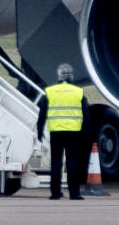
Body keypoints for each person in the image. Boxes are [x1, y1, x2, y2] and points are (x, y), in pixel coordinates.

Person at [37, 64, 89, 200]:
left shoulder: (50, 91)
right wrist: (85, 132)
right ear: (71, 77)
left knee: (56, 163)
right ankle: (74, 193)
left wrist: (39, 129)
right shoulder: (79, 92)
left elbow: (42, 113)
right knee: (72, 163)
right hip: (73, 132)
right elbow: (86, 115)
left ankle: (55, 193)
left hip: (56, 131)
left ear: (59, 76)